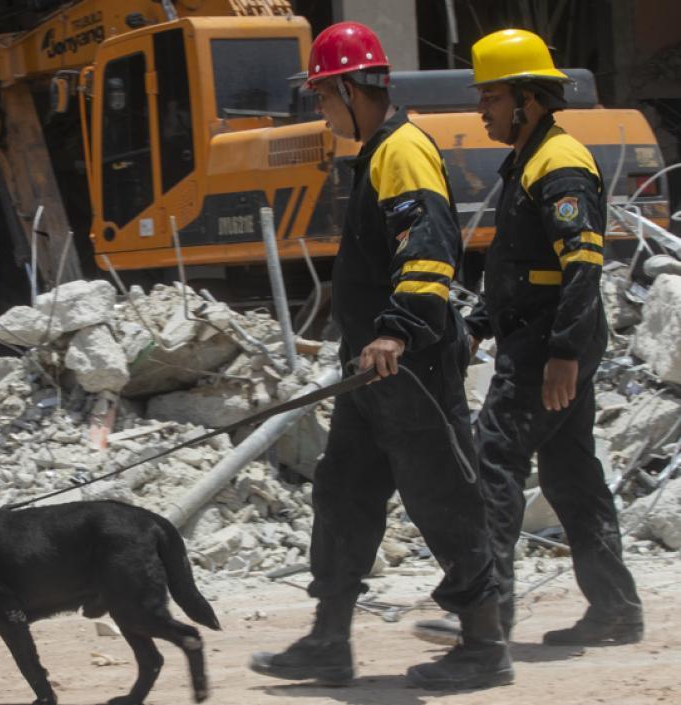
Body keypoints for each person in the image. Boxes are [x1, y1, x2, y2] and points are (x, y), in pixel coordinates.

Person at [248, 22, 512, 691]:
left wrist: (396, 331)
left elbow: (427, 248)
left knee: (443, 497)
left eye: (321, 97)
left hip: (410, 365)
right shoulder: (377, 152)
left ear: (345, 87)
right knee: (344, 494)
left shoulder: (402, 150)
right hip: (372, 368)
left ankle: (483, 644)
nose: (319, 110)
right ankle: (329, 639)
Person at [414, 28, 643, 648]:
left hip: (549, 345)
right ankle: (616, 611)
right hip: (541, 335)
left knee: (494, 459)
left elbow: (583, 267)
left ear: (527, 99)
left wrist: (564, 352)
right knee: (571, 475)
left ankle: (485, 616)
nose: (480, 110)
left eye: (489, 97)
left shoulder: (559, 163)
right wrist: (481, 324)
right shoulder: (532, 158)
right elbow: (524, 269)